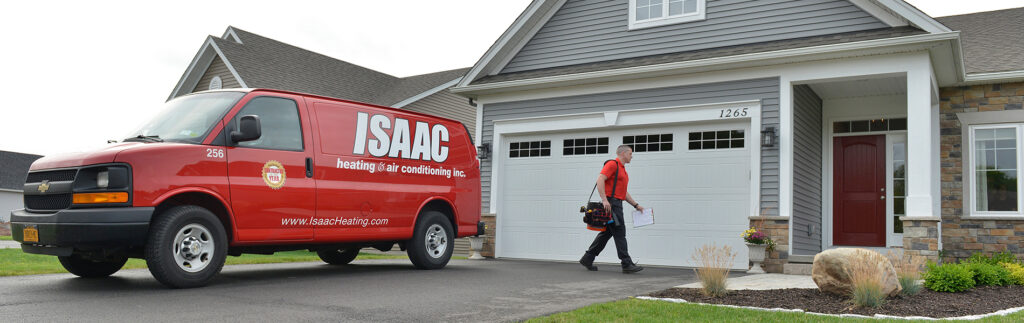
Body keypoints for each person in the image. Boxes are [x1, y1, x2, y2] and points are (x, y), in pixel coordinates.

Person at [579, 145, 644, 273]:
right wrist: (604, 200)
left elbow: (623, 192)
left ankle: (588, 258)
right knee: (620, 233)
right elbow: (600, 179)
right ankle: (626, 263)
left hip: (617, 204)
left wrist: (636, 205)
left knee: (607, 233)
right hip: (611, 205)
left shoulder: (623, 169)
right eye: (630, 153)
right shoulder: (612, 164)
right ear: (624, 153)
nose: (632, 156)